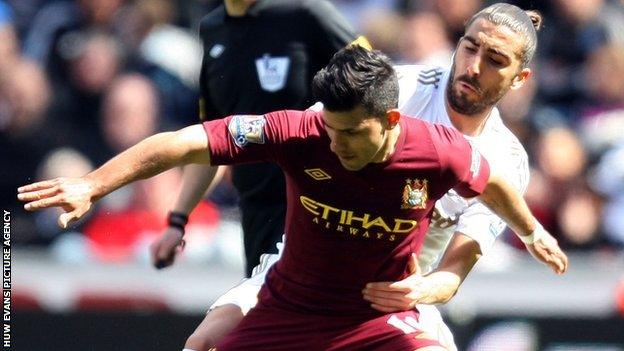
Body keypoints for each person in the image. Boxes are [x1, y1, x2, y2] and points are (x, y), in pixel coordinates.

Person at [18, 44, 567, 350]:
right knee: (200, 345)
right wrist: (92, 184)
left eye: (351, 134)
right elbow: (184, 143)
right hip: (294, 296)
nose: (335, 144)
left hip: (381, 308)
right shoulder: (303, 131)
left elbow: (488, 192)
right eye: (329, 128)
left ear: (391, 122)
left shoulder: (445, 151)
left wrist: (530, 231)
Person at [151, 3, 569, 351]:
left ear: (520, 78)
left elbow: (454, 271)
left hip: (391, 295)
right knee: (204, 343)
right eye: (469, 48)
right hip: (305, 275)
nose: (474, 67)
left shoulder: (505, 160)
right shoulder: (396, 89)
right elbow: (307, 133)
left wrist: (422, 290)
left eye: (495, 61)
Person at [157, 0, 361, 276]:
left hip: (319, 207)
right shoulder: (212, 28)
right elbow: (213, 140)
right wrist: (177, 221)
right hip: (257, 213)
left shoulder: (307, 12)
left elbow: (377, 82)